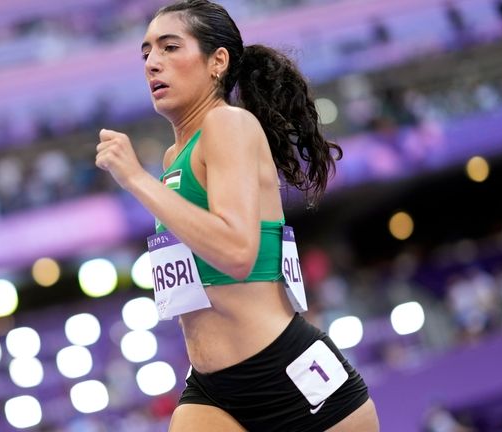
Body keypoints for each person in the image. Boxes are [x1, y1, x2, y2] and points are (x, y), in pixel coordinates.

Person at [95, 1, 380, 430]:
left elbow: (236, 252)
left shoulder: (228, 125)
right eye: (146, 52)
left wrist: (136, 178)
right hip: (212, 387)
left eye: (170, 47)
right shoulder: (175, 156)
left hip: (290, 378)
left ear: (217, 62)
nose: (153, 63)